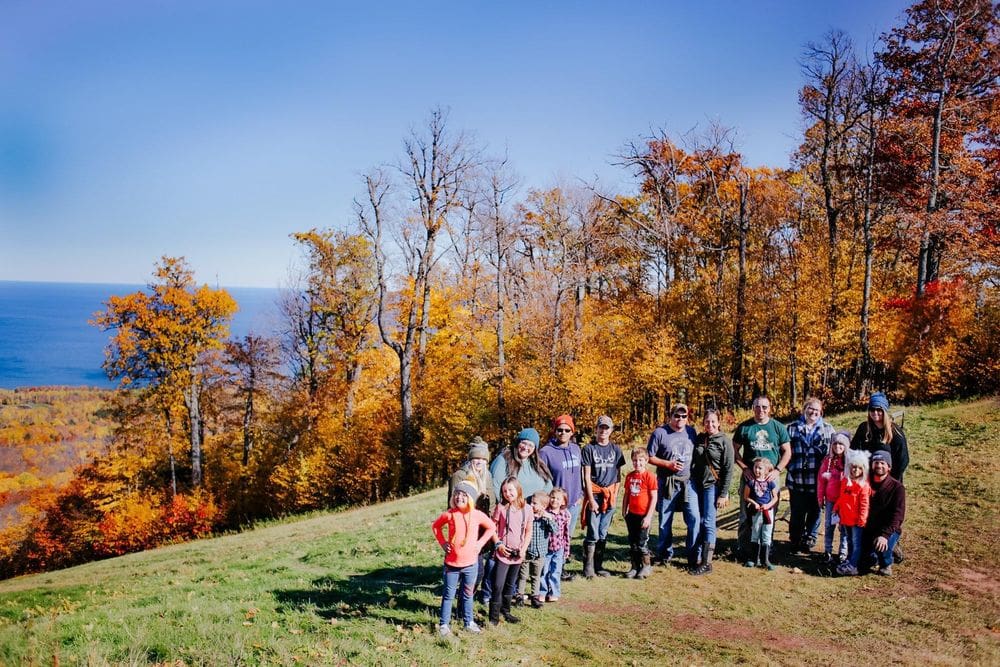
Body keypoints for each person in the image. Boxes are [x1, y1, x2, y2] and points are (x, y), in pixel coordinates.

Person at [432, 480, 497, 636]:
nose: (459, 497)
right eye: (457, 494)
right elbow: (436, 526)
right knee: (448, 595)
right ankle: (444, 625)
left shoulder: (477, 515)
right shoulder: (450, 514)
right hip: (451, 566)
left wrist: (480, 543)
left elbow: (491, 527)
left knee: (468, 594)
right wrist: (443, 543)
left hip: (471, 566)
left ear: (470, 498)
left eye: (463, 495)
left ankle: (469, 622)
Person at [733, 394, 791, 560]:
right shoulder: (745, 427)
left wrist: (778, 469)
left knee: (768, 513)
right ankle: (744, 548)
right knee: (746, 513)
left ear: (770, 408)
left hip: (770, 478)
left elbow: (787, 451)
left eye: (764, 407)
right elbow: (734, 450)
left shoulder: (778, 427)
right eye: (757, 406)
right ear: (753, 408)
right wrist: (744, 468)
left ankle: (766, 547)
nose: (761, 410)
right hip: (750, 476)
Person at [646, 403, 700, 566]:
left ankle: (693, 555)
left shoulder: (691, 432)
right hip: (667, 482)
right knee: (665, 520)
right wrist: (667, 464)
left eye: (684, 416)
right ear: (670, 416)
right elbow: (649, 456)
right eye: (677, 415)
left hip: (688, 482)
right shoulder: (660, 433)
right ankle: (664, 554)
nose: (680, 419)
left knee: (694, 518)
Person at [786, 397, 835, 553]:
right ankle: (795, 538)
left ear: (821, 412)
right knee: (797, 511)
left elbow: (834, 454)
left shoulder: (828, 429)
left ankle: (810, 538)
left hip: (818, 480)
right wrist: (791, 467)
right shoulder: (792, 428)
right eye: (810, 409)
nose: (813, 412)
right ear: (804, 409)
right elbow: (784, 452)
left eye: (817, 410)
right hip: (797, 478)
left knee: (815, 510)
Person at [538, 415, 584, 579]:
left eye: (567, 430)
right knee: (552, 538)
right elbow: (541, 479)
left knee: (566, 537)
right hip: (555, 505)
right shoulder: (546, 452)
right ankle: (544, 572)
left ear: (572, 432)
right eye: (559, 430)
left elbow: (580, 474)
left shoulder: (576, 449)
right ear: (555, 431)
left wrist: (580, 495)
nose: (563, 433)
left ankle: (559, 569)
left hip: (573, 503)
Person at [448, 437, 496, 593]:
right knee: (473, 570)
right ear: (470, 458)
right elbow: (453, 504)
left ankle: (466, 597)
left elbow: (493, 500)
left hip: (483, 527)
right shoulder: (460, 475)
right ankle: (463, 601)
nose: (479, 462)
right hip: (466, 528)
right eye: (476, 458)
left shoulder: (487, 476)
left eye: (483, 459)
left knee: (477, 569)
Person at [581, 415, 626, 578]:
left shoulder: (616, 450)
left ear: (611, 430)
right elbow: (586, 476)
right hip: (595, 493)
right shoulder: (588, 449)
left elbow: (619, 475)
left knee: (603, 531)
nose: (603, 431)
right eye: (601, 427)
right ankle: (588, 567)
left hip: (610, 495)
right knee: (593, 531)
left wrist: (615, 493)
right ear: (596, 429)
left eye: (607, 428)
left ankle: (598, 565)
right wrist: (591, 499)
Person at [690, 409, 734, 575]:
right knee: (699, 520)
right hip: (697, 485)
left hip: (712, 486)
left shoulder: (725, 441)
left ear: (719, 422)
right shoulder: (701, 438)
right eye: (707, 421)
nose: (710, 424)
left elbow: (729, 469)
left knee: (709, 522)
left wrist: (724, 493)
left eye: (713, 421)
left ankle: (707, 563)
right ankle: (699, 556)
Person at [490, 477, 532, 626]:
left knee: (510, 584)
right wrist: (498, 544)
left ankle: (506, 611)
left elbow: (528, 531)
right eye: (505, 491)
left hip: (518, 555)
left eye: (511, 490)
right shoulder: (501, 508)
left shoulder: (527, 509)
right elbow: (492, 528)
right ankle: (493, 618)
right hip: (503, 553)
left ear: (518, 489)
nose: (508, 493)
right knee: (498, 584)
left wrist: (523, 549)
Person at [862, 450, 906, 576]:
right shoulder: (866, 483)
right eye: (876, 462)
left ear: (889, 467)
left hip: (887, 529)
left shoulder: (897, 488)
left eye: (882, 463)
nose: (879, 466)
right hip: (869, 528)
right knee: (864, 560)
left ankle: (887, 562)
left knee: (881, 546)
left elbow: (898, 515)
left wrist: (885, 535)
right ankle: (875, 555)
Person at [851, 392, 909, 482]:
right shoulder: (863, 428)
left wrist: (890, 480)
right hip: (866, 478)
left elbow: (903, 459)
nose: (875, 412)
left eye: (879, 410)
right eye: (872, 409)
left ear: (884, 411)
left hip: (888, 479)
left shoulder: (895, 432)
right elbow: (854, 450)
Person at [622, 447, 658, 579]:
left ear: (646, 460)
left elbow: (654, 497)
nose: (638, 463)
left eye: (641, 460)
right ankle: (634, 567)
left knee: (642, 543)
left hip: (644, 515)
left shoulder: (650, 476)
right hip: (632, 515)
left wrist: (648, 516)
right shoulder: (630, 476)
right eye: (635, 460)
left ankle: (646, 566)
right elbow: (626, 494)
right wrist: (624, 510)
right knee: (633, 543)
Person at [834, 450, 871, 577]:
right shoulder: (845, 482)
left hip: (856, 521)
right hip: (845, 518)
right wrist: (836, 507)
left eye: (859, 468)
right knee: (849, 541)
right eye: (853, 467)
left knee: (856, 543)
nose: (855, 470)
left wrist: (862, 520)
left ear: (863, 470)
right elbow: (842, 497)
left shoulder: (863, 486)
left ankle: (854, 565)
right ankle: (849, 561)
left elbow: (864, 505)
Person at [490, 428, 553, 501]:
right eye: (523, 443)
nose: (526, 447)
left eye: (530, 445)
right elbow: (495, 487)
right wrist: (506, 508)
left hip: (537, 509)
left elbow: (548, 486)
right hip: (512, 510)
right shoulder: (504, 460)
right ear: (518, 443)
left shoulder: (537, 463)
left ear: (534, 449)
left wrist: (541, 502)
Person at [517, 491, 556, 608]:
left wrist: (549, 518)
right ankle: (520, 596)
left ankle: (535, 596)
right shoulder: (528, 516)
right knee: (523, 576)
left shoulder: (546, 518)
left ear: (543, 506)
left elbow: (555, 530)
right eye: (531, 503)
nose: (531, 505)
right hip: (527, 552)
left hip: (540, 553)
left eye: (535, 503)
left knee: (536, 576)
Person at [816, 431, 851, 565]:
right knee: (829, 525)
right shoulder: (827, 461)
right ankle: (828, 551)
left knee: (844, 527)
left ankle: (843, 552)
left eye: (841, 444)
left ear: (846, 446)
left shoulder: (849, 461)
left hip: (845, 501)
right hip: (831, 499)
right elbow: (821, 481)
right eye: (835, 443)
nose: (838, 446)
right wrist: (820, 498)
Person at [743, 457, 779, 570]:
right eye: (755, 467)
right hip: (756, 512)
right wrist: (754, 503)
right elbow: (746, 497)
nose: (757, 470)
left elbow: (775, 497)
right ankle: (753, 559)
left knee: (766, 534)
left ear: (766, 470)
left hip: (768, 512)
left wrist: (768, 506)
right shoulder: (751, 483)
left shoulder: (770, 483)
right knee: (755, 533)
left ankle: (765, 560)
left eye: (760, 468)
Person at [540, 487, 571, 602]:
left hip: (559, 548)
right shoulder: (545, 513)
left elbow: (566, 534)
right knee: (544, 571)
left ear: (563, 501)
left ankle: (554, 592)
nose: (555, 501)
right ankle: (542, 592)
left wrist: (567, 550)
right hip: (546, 548)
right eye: (553, 498)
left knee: (556, 571)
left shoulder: (565, 515)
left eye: (558, 499)